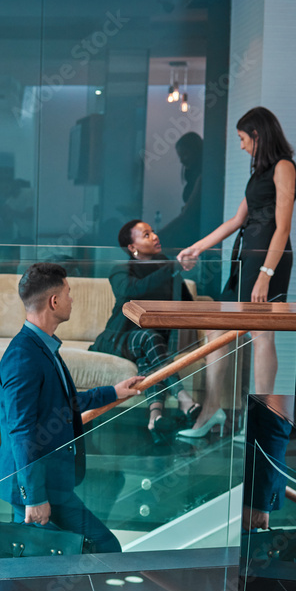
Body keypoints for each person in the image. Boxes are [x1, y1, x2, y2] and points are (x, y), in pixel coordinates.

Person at [0, 263, 143, 553]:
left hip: (49, 484)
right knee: (105, 549)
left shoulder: (42, 347)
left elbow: (63, 402)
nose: (71, 299)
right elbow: (21, 432)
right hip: (39, 487)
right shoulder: (22, 357)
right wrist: (35, 498)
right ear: (54, 302)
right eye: (68, 293)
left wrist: (113, 392)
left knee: (31, 560)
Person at [177, 107, 295, 438]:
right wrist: (197, 248)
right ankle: (213, 409)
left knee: (261, 335)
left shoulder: (285, 167)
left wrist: (266, 274)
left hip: (269, 262)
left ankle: (261, 419)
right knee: (218, 332)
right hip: (246, 260)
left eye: (243, 139)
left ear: (258, 135)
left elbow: (283, 227)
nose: (241, 146)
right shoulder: (258, 171)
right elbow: (236, 221)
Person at [90, 220, 200, 442]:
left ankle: (155, 417)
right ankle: (183, 397)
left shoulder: (166, 267)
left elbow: (187, 301)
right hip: (117, 338)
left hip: (153, 342)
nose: (155, 236)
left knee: (148, 356)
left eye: (153, 232)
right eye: (146, 234)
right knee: (150, 337)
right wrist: (172, 267)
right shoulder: (120, 270)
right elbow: (134, 289)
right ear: (132, 247)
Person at [159, 132, 203, 253]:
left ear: (196, 151)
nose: (182, 160)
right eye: (180, 156)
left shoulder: (203, 177)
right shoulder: (193, 176)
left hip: (193, 231)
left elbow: (187, 213)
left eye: (185, 154)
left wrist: (160, 235)